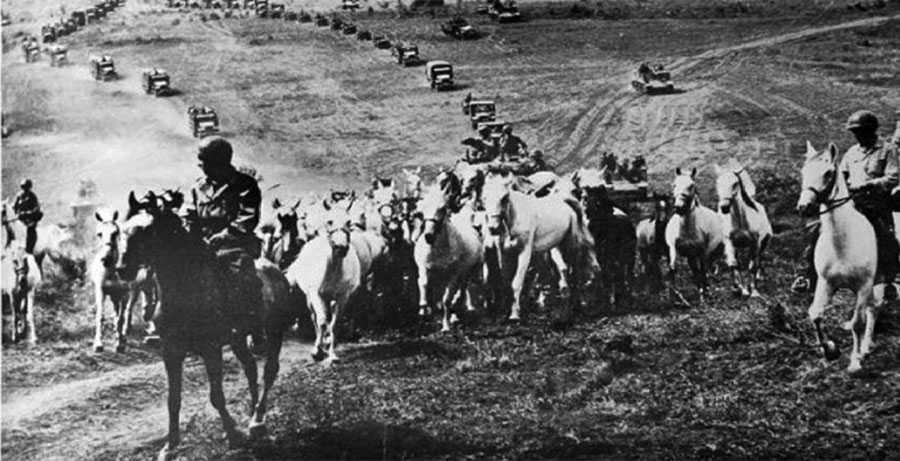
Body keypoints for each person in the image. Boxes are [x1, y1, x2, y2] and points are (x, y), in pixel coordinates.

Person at [792, 110, 899, 301]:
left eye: (862, 131)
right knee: (816, 228)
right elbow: (842, 175)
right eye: (855, 132)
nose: (858, 136)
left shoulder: (888, 150)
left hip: (876, 203)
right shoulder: (852, 153)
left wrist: (867, 184)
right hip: (852, 201)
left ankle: (889, 280)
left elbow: (893, 177)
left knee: (885, 236)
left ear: (872, 131)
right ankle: (806, 275)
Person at [183, 136, 267, 351]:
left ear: (219, 161)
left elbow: (247, 218)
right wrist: (188, 231)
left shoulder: (244, 184)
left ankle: (255, 330)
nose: (199, 164)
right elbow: (190, 214)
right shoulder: (198, 187)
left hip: (235, 245)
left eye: (203, 160)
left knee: (245, 278)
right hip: (203, 245)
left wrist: (223, 235)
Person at [13, 179, 43, 254]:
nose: (24, 189)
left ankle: (29, 251)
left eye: (26, 187)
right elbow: (14, 207)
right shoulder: (19, 196)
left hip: (30, 222)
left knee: (31, 232)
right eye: (23, 187)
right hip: (20, 221)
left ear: (29, 187)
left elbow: (36, 210)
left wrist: (26, 214)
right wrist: (16, 214)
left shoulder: (33, 197)